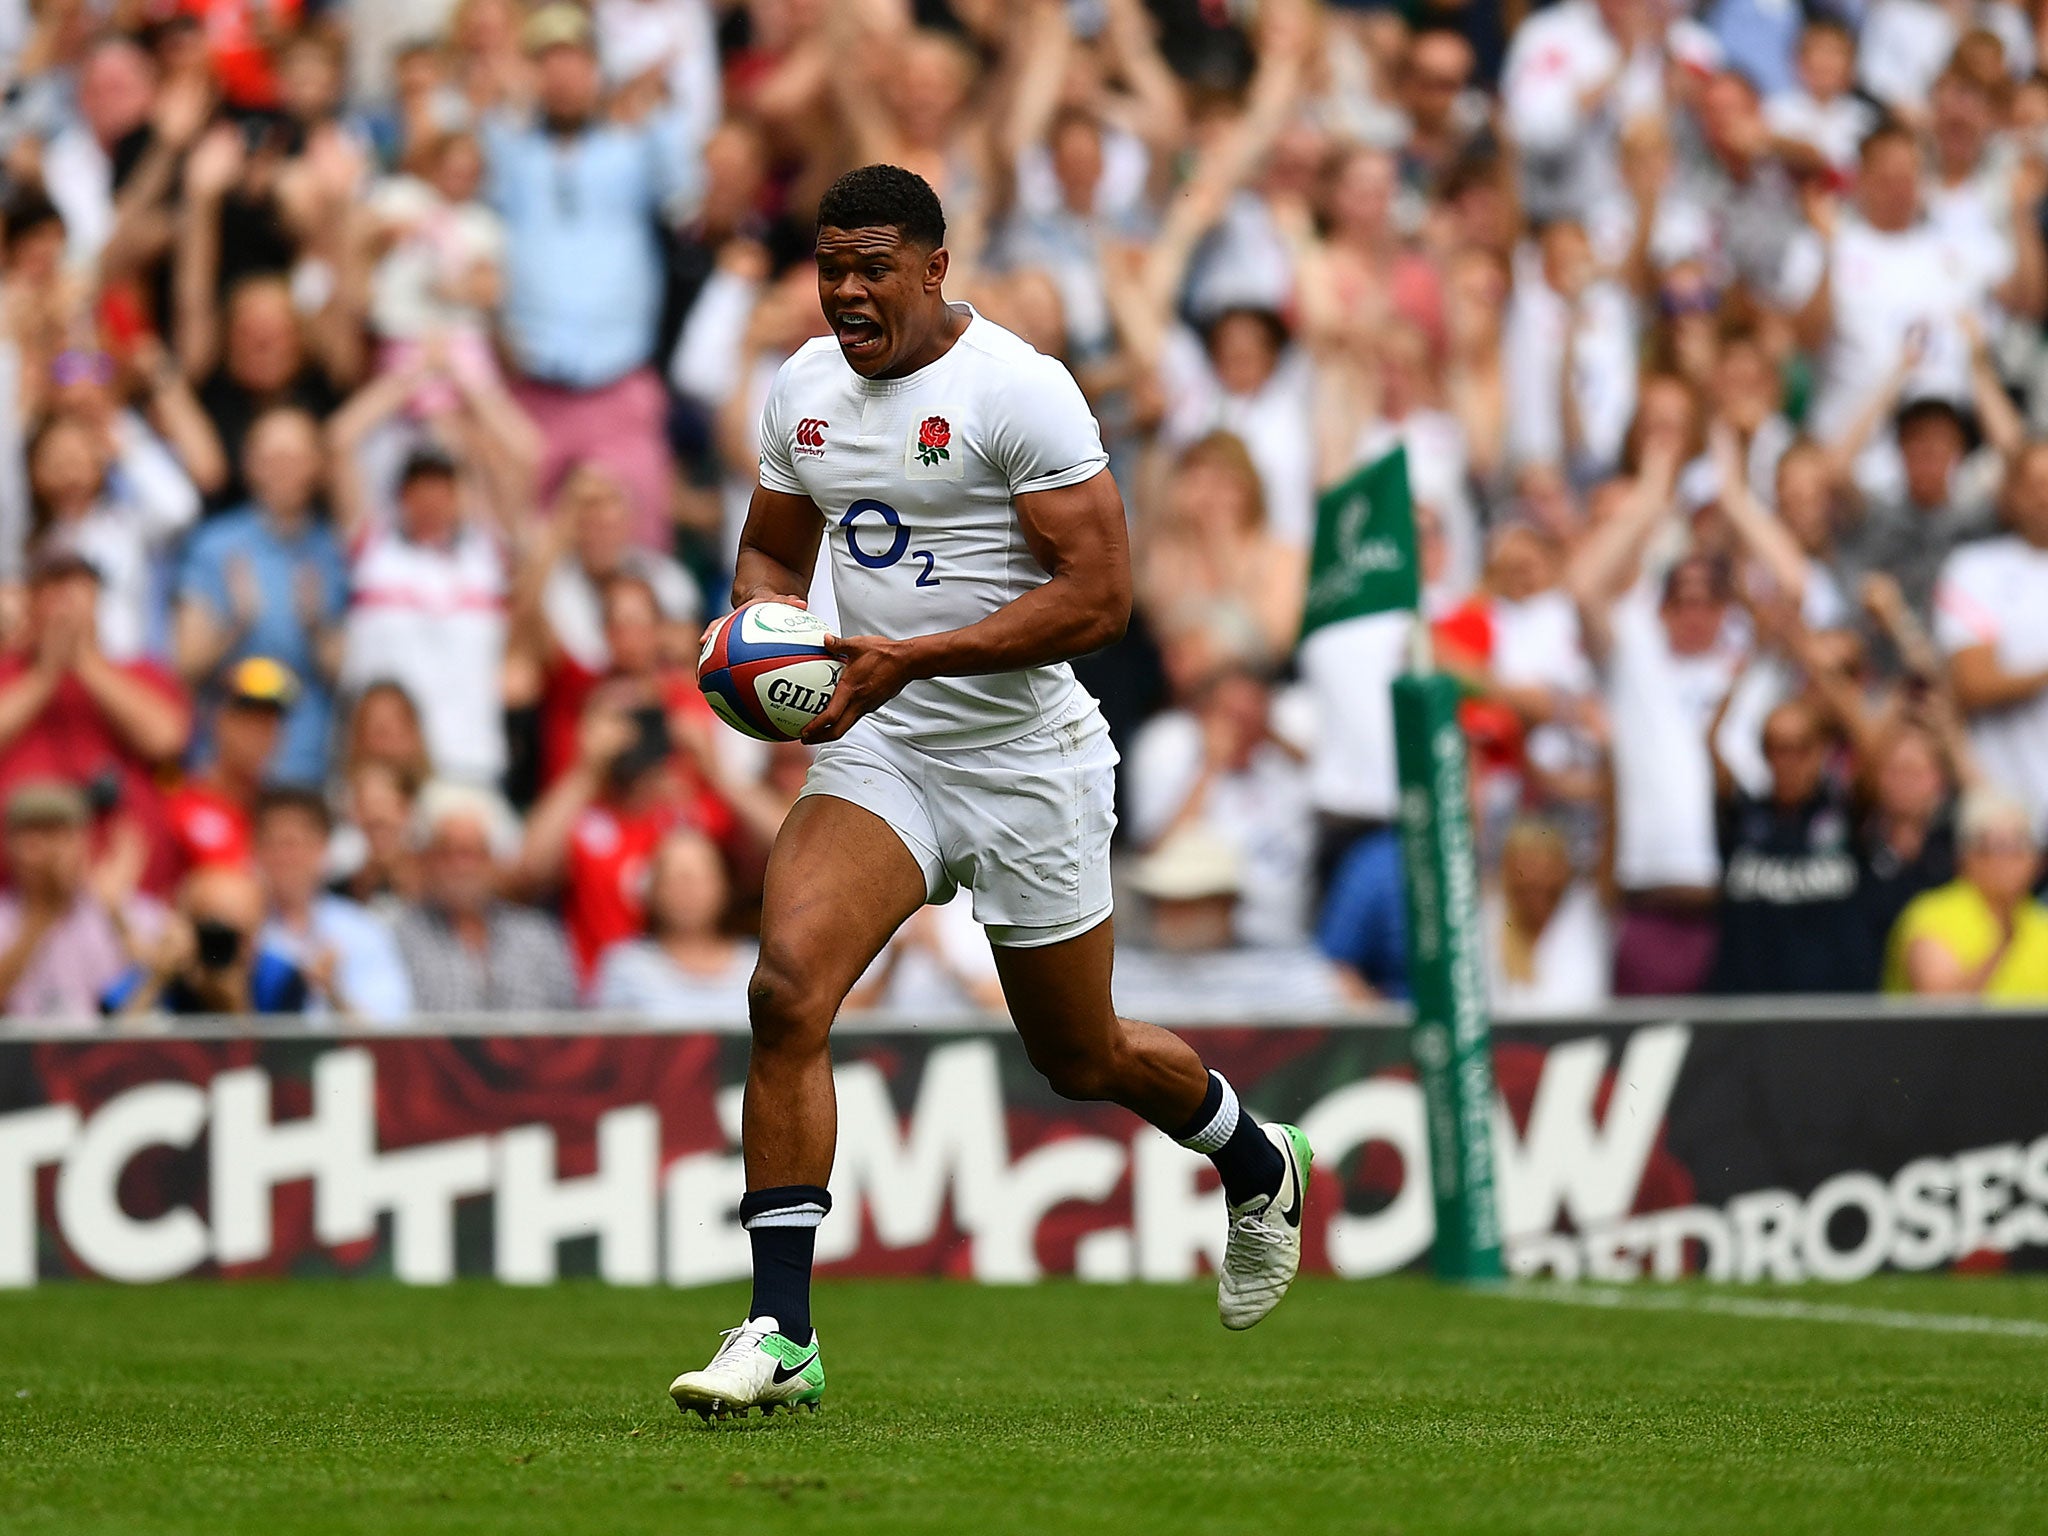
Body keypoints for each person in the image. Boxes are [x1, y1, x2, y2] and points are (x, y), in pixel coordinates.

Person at [666, 168, 1313, 1421]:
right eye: (829, 266)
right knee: (787, 987)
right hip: (881, 747)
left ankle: (1253, 1156)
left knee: (1080, 1055)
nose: (846, 290)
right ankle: (780, 1331)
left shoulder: (1016, 389)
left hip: (1028, 764)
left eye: (871, 268)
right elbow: (768, 549)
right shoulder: (801, 389)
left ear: (931, 268)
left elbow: (1099, 598)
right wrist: (759, 628)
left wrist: (912, 653)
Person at [173, 407, 349, 784]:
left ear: (318, 467)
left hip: (307, 763)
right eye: (271, 458)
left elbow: (348, 675)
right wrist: (237, 624)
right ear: (249, 464)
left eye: (295, 458)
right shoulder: (215, 544)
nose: (283, 470)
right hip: (222, 764)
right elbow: (184, 667)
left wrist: (316, 625)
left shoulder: (332, 551)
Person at [0, 552, 192, 894]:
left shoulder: (141, 672)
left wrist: (86, 662)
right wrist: (46, 674)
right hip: (13, 895)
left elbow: (166, 739)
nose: (65, 608)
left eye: (78, 594)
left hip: (126, 886)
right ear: (30, 604)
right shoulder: (8, 673)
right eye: (53, 593)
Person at [392, 780, 578, 1013]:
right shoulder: (397, 938)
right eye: (447, 852)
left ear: (496, 859)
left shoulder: (538, 938)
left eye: (473, 853)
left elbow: (570, 1028)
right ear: (425, 859)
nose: (461, 867)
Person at [0, 782, 163, 1023]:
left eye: (57, 833)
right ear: (9, 845)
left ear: (84, 841)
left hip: (106, 1056)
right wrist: (42, 912)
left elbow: (160, 978)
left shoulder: (115, 906)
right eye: (31, 834)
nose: (44, 849)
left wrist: (115, 914)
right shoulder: (5, 915)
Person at [253, 786, 413, 1023]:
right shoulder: (243, 926)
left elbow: (387, 1030)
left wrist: (332, 992)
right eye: (271, 844)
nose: (283, 858)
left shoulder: (362, 930)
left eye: (292, 844)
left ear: (322, 849)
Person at [1885, 788, 2048, 998]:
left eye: (2020, 847)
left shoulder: (2041, 921)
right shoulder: (1932, 916)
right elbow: (1941, 1014)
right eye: (1996, 847)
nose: (2009, 861)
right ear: (1966, 856)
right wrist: (2003, 947)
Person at [591, 825, 756, 1019]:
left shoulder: (756, 965)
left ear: (725, 886)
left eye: (699, 877)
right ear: (651, 890)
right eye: (673, 878)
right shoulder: (624, 967)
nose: (687, 890)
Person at [104, 863, 310, 1017]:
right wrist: (155, 983)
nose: (219, 947)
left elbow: (278, 1067)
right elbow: (104, 1055)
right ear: (184, 926)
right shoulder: (156, 975)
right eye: (210, 932)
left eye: (237, 936)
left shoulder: (281, 979)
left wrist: (238, 1008)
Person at [163, 656, 295, 876]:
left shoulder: (282, 813)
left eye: (270, 723)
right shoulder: (180, 801)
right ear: (218, 719)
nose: (259, 735)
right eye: (249, 720)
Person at [1483, 819, 1610, 1015]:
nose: (1534, 878)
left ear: (1564, 868)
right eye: (1524, 867)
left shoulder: (1590, 913)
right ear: (1506, 872)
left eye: (1543, 865)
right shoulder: (1488, 921)